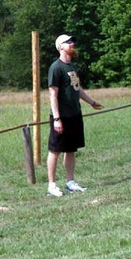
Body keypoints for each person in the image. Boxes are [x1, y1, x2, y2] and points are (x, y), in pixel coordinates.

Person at [46, 34, 103, 197]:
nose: (72, 44)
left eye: (72, 42)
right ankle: (51, 185)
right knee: (55, 150)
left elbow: (77, 89)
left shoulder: (72, 67)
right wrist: (57, 118)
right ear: (60, 47)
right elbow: (53, 94)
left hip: (74, 114)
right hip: (61, 116)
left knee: (70, 149)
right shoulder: (55, 68)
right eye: (68, 42)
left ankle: (70, 182)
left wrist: (91, 102)